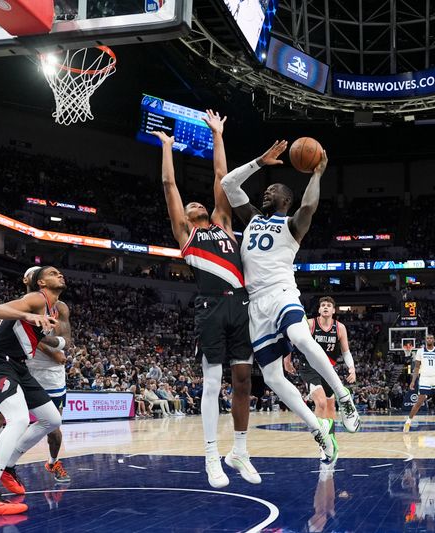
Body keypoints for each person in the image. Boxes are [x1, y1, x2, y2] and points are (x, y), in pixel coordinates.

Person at [221, 140, 360, 463]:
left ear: (286, 200)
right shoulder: (252, 218)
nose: (266, 193)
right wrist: (260, 160)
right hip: (256, 305)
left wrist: (318, 174)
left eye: (273, 191)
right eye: (266, 190)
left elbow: (309, 207)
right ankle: (318, 432)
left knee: (300, 336)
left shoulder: (293, 225)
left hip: (283, 293)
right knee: (270, 377)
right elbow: (229, 183)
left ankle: (344, 396)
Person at [151, 109, 260, 489]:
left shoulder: (224, 223)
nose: (196, 204)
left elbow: (221, 177)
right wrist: (167, 147)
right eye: (192, 204)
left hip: (241, 304)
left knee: (244, 380)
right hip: (210, 306)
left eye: (200, 204)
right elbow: (169, 186)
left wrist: (217, 134)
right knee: (213, 383)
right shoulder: (185, 234)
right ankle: (211, 455)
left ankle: (240, 451)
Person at [0, 266, 64, 515]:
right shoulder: (36, 299)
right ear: (41, 282)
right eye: (53, 273)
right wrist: (28, 316)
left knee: (52, 419)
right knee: (19, 419)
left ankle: (8, 465)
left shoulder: (54, 307)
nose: (60, 274)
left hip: (18, 365)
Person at [23, 266, 72, 484]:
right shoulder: (24, 304)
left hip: (52, 375)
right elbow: (26, 335)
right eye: (51, 274)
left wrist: (55, 352)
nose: (59, 275)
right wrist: (52, 353)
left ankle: (53, 462)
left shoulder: (60, 307)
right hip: (26, 367)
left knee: (54, 427)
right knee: (3, 419)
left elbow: (64, 339)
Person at [284, 296, 356, 441]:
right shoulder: (310, 324)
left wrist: (352, 368)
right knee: (321, 402)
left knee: (330, 406)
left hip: (328, 369)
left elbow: (346, 351)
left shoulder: (340, 327)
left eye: (328, 305)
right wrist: (287, 359)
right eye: (322, 305)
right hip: (309, 366)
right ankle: (321, 440)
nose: (325, 307)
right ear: (318, 309)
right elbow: (291, 338)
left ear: (333, 310)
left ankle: (330, 439)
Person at [404, 334, 435, 434]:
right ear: (425, 340)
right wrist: (413, 381)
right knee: (419, 402)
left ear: (434, 340)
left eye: (431, 338)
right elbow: (416, 368)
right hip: (424, 378)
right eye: (427, 338)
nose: (429, 339)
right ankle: (408, 422)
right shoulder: (420, 351)